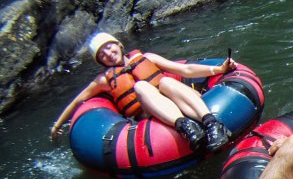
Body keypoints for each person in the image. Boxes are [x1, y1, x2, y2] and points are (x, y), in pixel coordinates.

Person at [50, 33, 233, 152]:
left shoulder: (146, 58)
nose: (107, 53)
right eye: (101, 54)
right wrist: (57, 126)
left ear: (118, 45)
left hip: (183, 101)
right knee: (141, 87)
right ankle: (186, 127)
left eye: (108, 47)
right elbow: (77, 102)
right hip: (155, 119)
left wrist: (219, 70)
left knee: (166, 81)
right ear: (100, 62)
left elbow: (185, 71)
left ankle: (212, 124)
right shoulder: (104, 81)